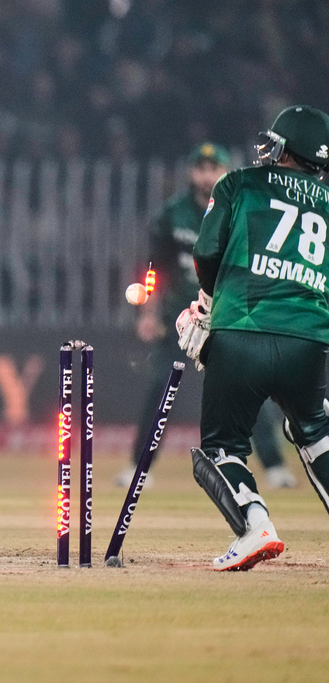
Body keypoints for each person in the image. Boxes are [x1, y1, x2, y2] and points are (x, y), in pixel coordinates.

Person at [177, 105, 329, 571]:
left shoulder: (238, 183)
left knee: (222, 445)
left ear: (285, 147)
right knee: (316, 431)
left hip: (242, 331)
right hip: (309, 340)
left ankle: (255, 525)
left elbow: (206, 253)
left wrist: (208, 302)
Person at [118, 143, 297, 490]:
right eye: (200, 168)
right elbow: (156, 270)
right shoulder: (174, 213)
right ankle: (139, 469)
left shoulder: (242, 210)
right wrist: (149, 312)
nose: (205, 176)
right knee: (160, 390)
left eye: (213, 169)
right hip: (180, 319)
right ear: (190, 173)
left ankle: (275, 467)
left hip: (226, 318)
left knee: (248, 391)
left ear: (225, 172)